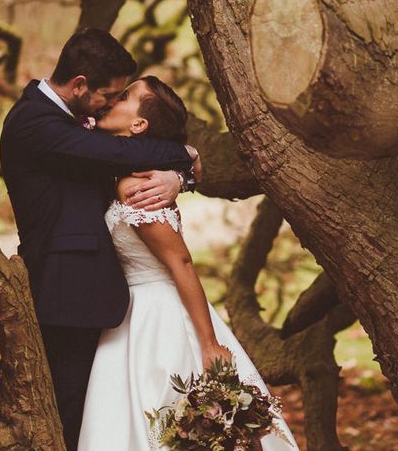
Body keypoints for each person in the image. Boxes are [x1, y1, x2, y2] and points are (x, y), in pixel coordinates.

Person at [0, 29, 200, 451]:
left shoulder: (71, 121)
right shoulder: (33, 121)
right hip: (64, 290)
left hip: (97, 293)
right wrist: (183, 158)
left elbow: (123, 156)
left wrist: (176, 178)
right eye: (108, 95)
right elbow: (120, 155)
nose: (111, 104)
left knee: (100, 415)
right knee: (70, 412)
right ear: (78, 85)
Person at [77, 75, 298, 450]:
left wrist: (208, 343)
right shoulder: (133, 175)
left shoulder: (139, 188)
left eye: (126, 96)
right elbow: (189, 160)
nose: (114, 98)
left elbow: (181, 263)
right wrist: (186, 168)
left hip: (160, 321)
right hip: (132, 316)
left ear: (138, 124)